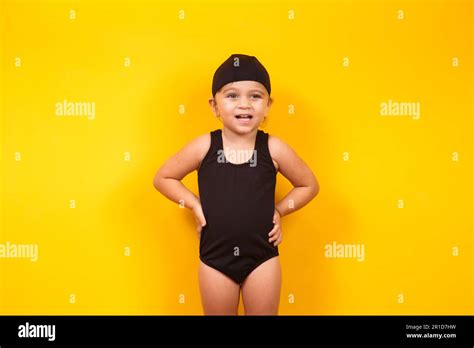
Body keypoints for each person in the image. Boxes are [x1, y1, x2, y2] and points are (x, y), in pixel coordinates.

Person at [153, 54, 319, 315]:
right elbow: (163, 178)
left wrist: (280, 210)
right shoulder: (204, 146)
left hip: (262, 259)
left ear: (268, 105)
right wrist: (195, 205)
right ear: (214, 106)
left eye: (255, 96)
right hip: (215, 261)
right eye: (232, 96)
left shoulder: (274, 148)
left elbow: (308, 185)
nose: (245, 104)